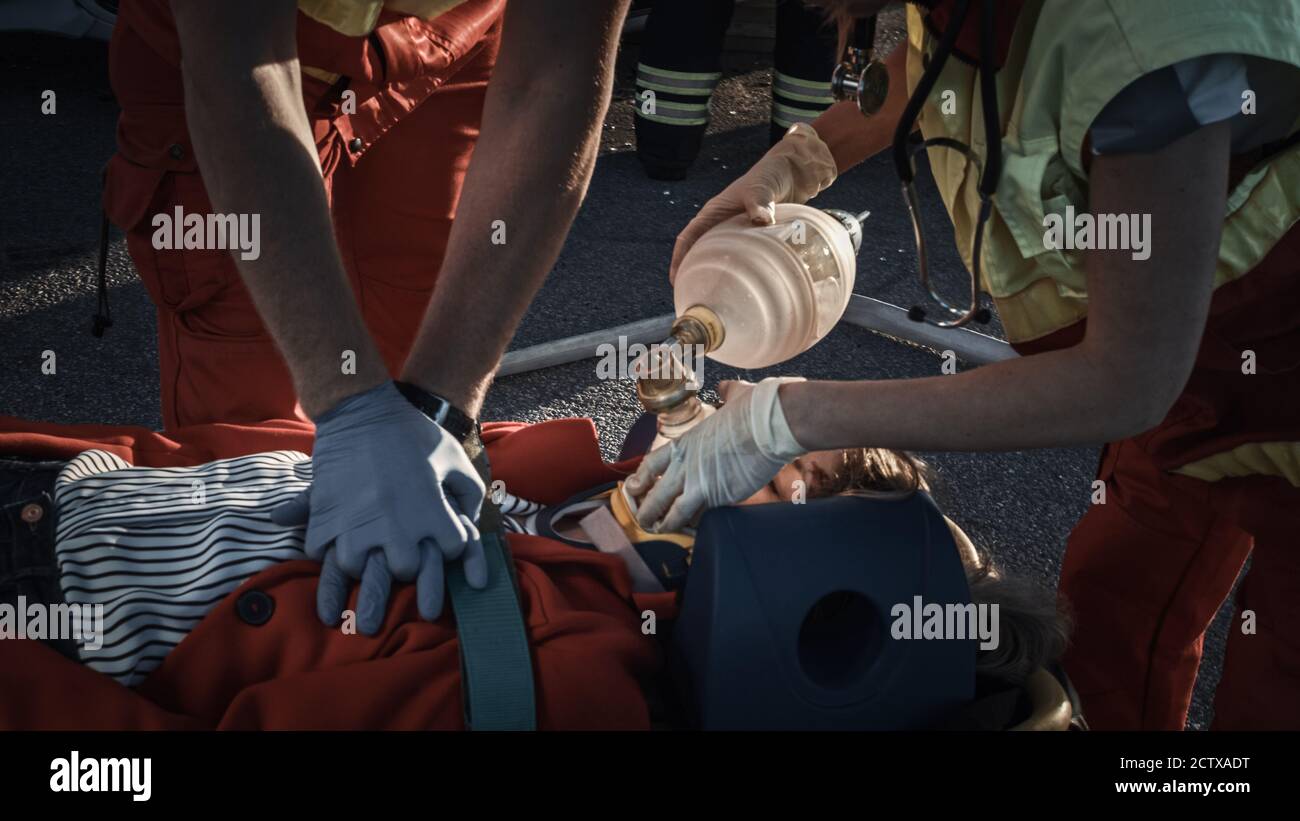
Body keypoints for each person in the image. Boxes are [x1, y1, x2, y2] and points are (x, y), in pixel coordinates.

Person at [627, 0, 1300, 730]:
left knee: (1275, 690)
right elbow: (936, 66)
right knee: (1112, 623)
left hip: (1240, 368)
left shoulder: (1152, 37)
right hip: (1194, 390)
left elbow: (1126, 379)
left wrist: (792, 417)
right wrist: (796, 160)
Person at [0, 410, 1065, 728]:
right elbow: (319, 445)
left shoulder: (563, 685)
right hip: (73, 477)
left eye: (786, 475)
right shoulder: (589, 488)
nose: (743, 433)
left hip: (49, 607)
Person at [103, 0, 631, 628]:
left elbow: (554, 75)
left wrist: (442, 406)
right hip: (238, 53)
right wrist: (348, 406)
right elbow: (240, 74)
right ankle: (263, 641)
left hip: (448, 37)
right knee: (258, 446)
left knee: (415, 364)